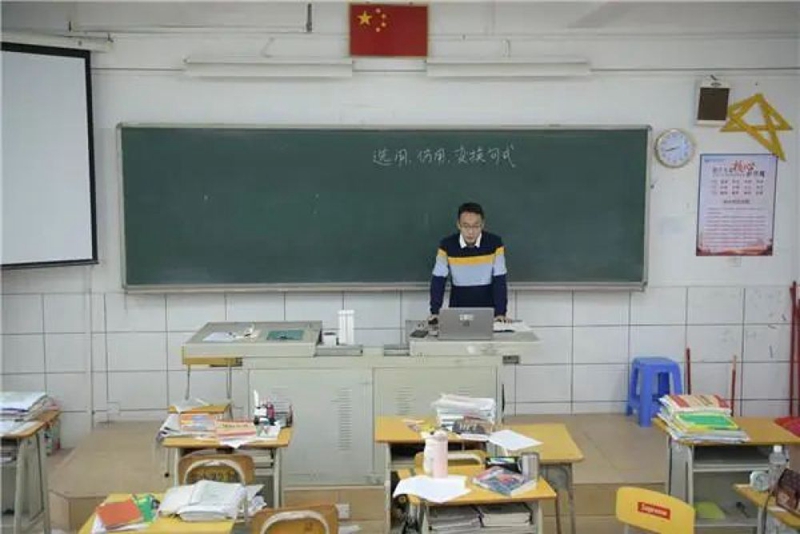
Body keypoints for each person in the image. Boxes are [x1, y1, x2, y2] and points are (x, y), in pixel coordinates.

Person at [429, 202, 508, 323]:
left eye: (476, 226)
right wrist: (435, 312)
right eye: (466, 226)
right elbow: (438, 280)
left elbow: (500, 280)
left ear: (482, 225)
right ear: (458, 225)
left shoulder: (495, 244)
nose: (471, 232)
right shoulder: (447, 245)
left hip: (488, 312)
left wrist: (500, 312)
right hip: (457, 310)